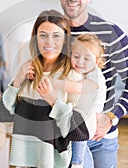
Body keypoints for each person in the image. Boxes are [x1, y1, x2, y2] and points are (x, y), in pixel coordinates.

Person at [57, 0, 128, 167]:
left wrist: (111, 117)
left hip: (100, 138)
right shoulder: (52, 34)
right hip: (62, 137)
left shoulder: (111, 33)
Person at [0, 9, 95, 168]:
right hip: (25, 164)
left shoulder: (72, 77)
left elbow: (80, 132)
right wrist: (17, 81)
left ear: (65, 39)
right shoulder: (26, 71)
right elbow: (4, 115)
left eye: (56, 36)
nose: (49, 42)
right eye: (43, 35)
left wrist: (52, 100)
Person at [39, 33, 107, 168]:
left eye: (87, 58)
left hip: (91, 115)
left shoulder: (96, 75)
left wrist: (55, 83)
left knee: (79, 134)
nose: (80, 62)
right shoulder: (81, 71)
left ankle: (77, 162)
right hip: (80, 112)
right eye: (76, 56)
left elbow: (78, 88)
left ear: (97, 60)